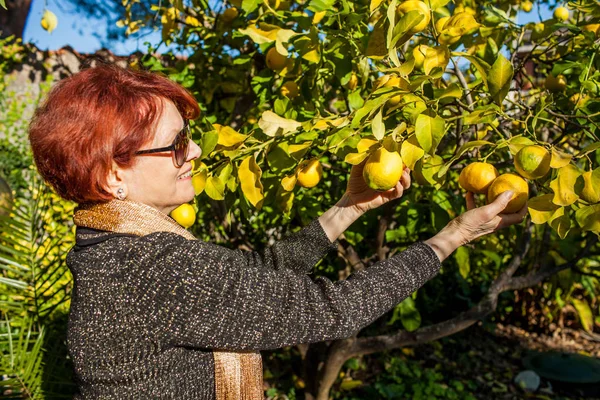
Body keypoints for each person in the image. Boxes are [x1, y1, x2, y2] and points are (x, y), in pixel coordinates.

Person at [28, 62, 527, 400]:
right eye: (175, 146)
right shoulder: (155, 266)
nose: (195, 153)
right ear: (113, 174)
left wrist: (347, 209)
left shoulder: (111, 246)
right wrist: (449, 238)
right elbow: (333, 310)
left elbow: (251, 279)